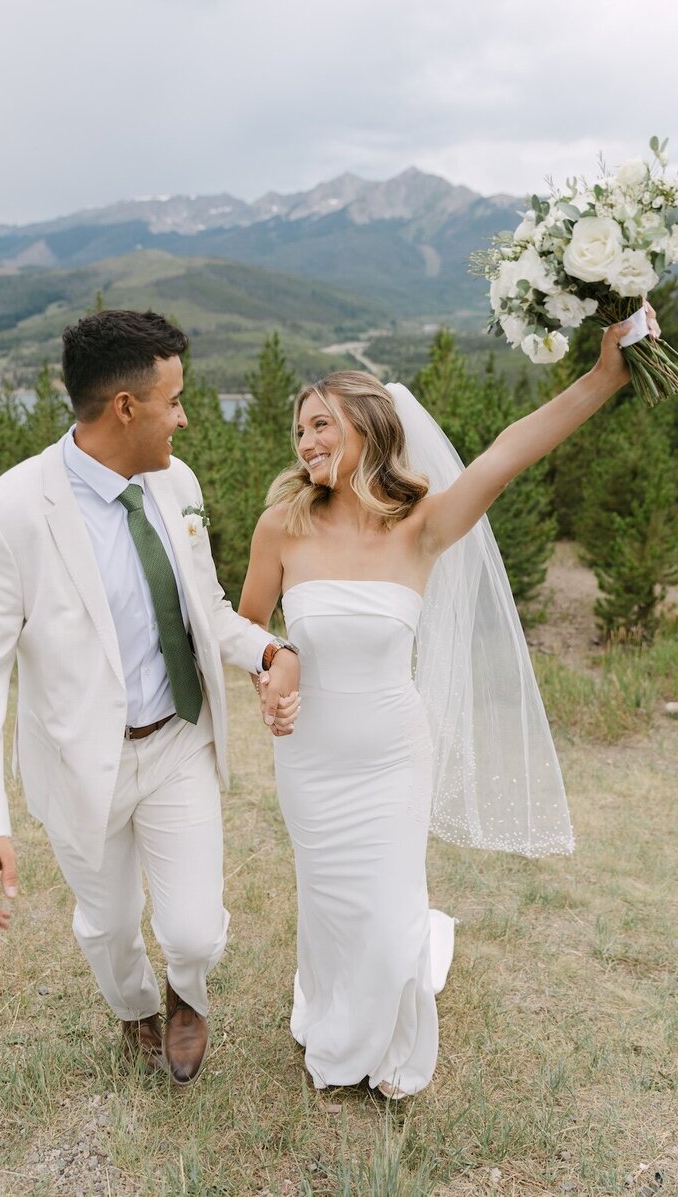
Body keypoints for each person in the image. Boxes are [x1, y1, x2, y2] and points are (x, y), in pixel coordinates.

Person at [238, 306, 660, 1099]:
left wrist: (604, 377)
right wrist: (274, 666)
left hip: (395, 757)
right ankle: (334, 1016)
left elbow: (509, 451)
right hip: (313, 759)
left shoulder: (423, 527)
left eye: (322, 424)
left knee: (394, 915)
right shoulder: (281, 528)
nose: (307, 443)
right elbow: (246, 626)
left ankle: (393, 1050)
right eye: (299, 431)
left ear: (367, 426)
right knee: (331, 905)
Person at [0, 309, 300, 1086]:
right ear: (125, 407)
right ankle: (134, 1006)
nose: (186, 415)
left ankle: (185, 994)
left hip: (177, 742)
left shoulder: (179, 481)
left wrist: (265, 649)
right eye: (175, 399)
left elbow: (205, 604)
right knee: (107, 927)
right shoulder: (6, 515)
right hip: (79, 763)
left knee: (195, 932)